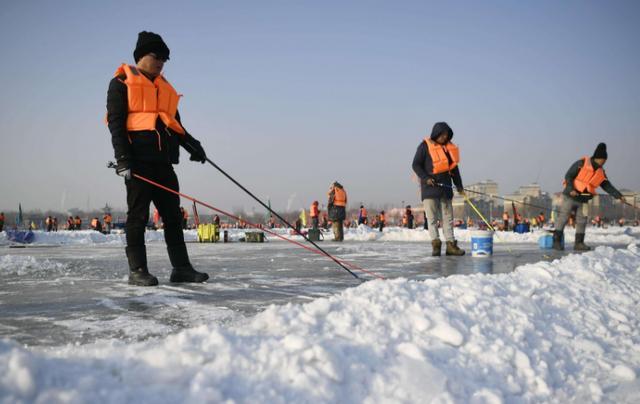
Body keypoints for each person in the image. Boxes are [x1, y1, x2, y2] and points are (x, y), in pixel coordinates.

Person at [107, 31, 209, 286]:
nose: (162, 61)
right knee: (138, 217)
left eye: (165, 58)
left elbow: (175, 126)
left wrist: (193, 146)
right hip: (137, 163)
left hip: (163, 163)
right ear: (142, 56)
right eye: (157, 56)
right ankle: (138, 270)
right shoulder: (121, 83)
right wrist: (122, 158)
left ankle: (181, 269)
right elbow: (116, 124)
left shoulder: (164, 89)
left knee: (173, 217)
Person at [553, 143, 625, 251]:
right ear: (597, 158)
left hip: (584, 200)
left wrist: (618, 195)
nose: (604, 163)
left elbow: (607, 186)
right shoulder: (581, 163)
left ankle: (579, 243)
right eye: (603, 160)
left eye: (605, 161)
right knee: (563, 218)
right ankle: (557, 242)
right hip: (570, 196)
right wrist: (571, 189)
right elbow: (568, 176)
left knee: (582, 220)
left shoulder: (601, 172)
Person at [412, 122, 465, 256]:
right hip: (430, 189)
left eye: (447, 135)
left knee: (448, 218)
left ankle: (451, 245)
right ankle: (436, 245)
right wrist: (426, 178)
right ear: (436, 134)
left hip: (445, 189)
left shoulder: (448, 148)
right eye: (442, 135)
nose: (445, 138)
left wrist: (459, 186)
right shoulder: (424, 146)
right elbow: (416, 165)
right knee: (432, 219)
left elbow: (454, 169)